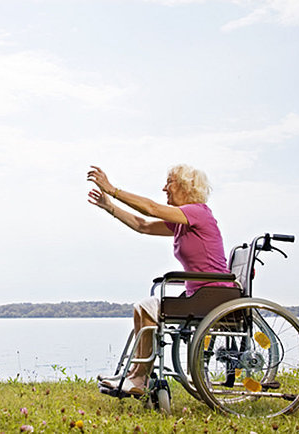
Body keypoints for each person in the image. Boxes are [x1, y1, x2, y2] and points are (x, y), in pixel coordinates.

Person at [86, 164, 230, 395]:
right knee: (143, 307)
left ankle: (139, 377)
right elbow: (142, 225)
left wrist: (112, 190)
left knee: (149, 308)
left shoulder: (197, 212)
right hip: (200, 295)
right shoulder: (183, 221)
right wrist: (109, 207)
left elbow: (151, 209)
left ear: (186, 186)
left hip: (212, 296)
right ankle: (135, 375)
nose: (164, 187)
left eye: (169, 182)